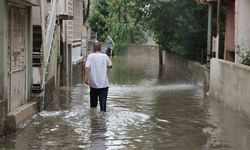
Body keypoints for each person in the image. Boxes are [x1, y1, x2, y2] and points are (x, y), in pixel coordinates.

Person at [84, 42, 112, 112]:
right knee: (103, 107)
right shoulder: (105, 56)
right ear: (100, 48)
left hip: (93, 85)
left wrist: (86, 78)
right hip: (104, 85)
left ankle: (93, 121)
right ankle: (103, 120)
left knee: (93, 107)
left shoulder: (90, 56)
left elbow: (87, 67)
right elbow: (110, 65)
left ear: (93, 48)